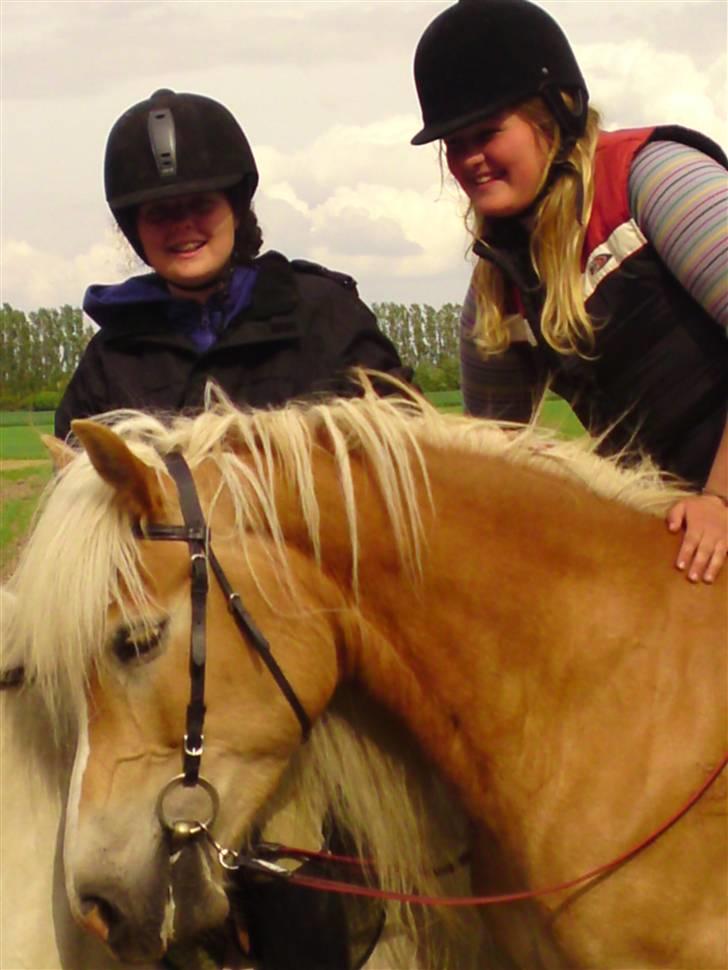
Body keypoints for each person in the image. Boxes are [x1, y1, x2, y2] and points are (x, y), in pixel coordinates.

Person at [410, 0, 728, 583]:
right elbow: (494, 465)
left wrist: (721, 499)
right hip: (677, 528)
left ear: (556, 114)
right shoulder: (494, 289)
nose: (469, 161)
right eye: (454, 145)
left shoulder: (654, 178)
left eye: (487, 133)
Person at [56, 88, 410, 441]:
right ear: (135, 231)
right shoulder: (109, 362)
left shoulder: (327, 316)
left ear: (236, 209)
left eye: (201, 205)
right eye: (160, 213)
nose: (182, 225)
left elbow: (407, 445)